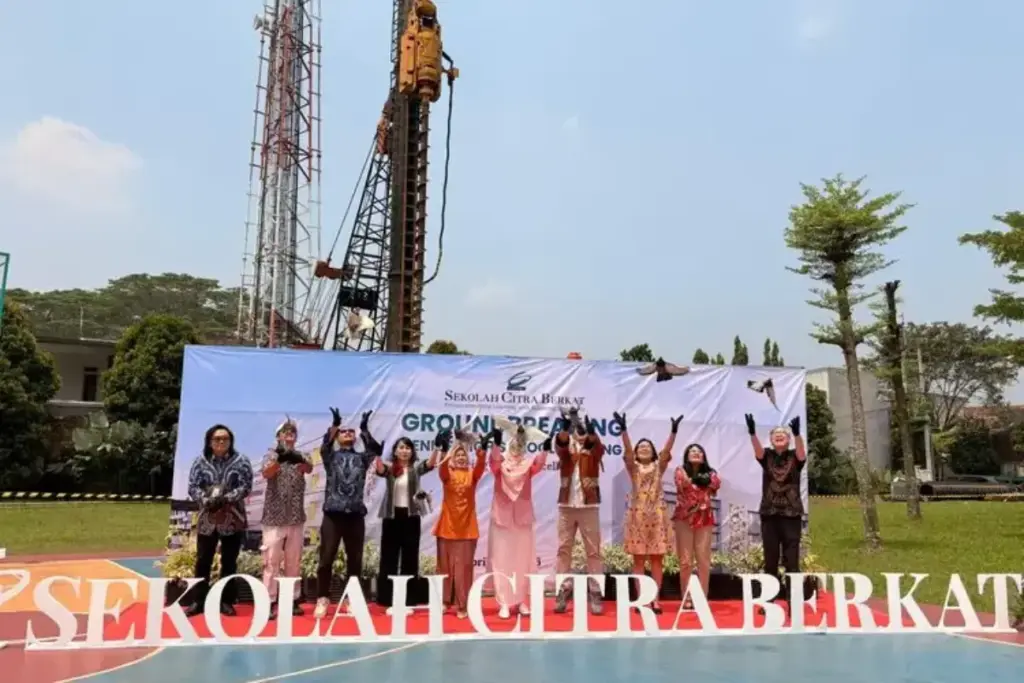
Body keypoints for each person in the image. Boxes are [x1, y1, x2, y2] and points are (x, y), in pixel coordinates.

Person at [313, 408, 383, 619]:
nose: (347, 433)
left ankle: (351, 599)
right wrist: (334, 425)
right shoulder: (331, 457)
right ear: (338, 437)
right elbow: (325, 445)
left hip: (355, 515)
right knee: (326, 558)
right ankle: (322, 598)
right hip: (333, 514)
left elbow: (375, 450)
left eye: (351, 432)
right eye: (343, 431)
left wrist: (364, 429)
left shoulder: (362, 458)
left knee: (355, 560)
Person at [373, 431, 447, 612]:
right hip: (392, 517)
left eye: (408, 448)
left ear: (412, 451)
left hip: (411, 517)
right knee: (388, 558)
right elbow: (380, 470)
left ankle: (408, 598)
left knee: (410, 558)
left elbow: (430, 464)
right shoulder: (391, 469)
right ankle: (386, 598)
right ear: (395, 451)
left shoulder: (415, 469)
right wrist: (377, 455)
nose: (404, 451)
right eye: (401, 447)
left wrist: (437, 447)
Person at [185, 424, 254, 617]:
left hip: (232, 518)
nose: (221, 442)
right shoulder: (200, 461)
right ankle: (198, 600)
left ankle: (226, 601)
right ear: (209, 441)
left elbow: (246, 486)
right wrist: (206, 500)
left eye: (225, 438)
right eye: (217, 439)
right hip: (207, 518)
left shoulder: (241, 461)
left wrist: (226, 498)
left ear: (231, 441)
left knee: (229, 562)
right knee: (203, 561)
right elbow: (193, 486)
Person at [616, 412, 680, 614]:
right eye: (640, 446)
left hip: (658, 516)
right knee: (638, 560)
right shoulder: (633, 468)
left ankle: (655, 600)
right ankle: (642, 600)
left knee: (657, 559)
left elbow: (666, 452)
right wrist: (624, 431)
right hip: (637, 517)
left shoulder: (658, 467)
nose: (644, 448)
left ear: (653, 452)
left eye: (647, 446)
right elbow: (627, 451)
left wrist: (673, 432)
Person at [487, 423, 551, 619]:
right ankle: (504, 602)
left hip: (522, 518)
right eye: (515, 440)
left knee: (523, 561)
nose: (518, 444)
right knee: (501, 561)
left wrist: (545, 450)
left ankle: (521, 600)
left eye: (522, 442)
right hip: (502, 518)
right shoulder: (500, 462)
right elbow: (493, 462)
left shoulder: (528, 464)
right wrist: (495, 444)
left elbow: (538, 465)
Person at [745, 413, 806, 607]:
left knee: (792, 561)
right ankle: (769, 602)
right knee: (770, 560)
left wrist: (797, 434)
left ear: (788, 440)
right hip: (770, 513)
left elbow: (802, 454)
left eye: (783, 434)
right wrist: (752, 433)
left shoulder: (794, 457)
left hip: (791, 514)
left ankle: (793, 603)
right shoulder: (768, 456)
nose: (779, 435)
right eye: (775, 434)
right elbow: (758, 452)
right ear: (771, 440)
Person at [553, 408, 607, 615]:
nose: (580, 432)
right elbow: (560, 445)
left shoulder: (593, 450)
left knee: (593, 551)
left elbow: (598, 447)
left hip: (589, 505)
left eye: (582, 429)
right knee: (563, 550)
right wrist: (564, 430)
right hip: (566, 506)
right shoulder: (566, 449)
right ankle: (563, 590)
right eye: (576, 429)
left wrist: (592, 434)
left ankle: (595, 592)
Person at [260, 419, 313, 619]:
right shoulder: (270, 455)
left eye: (292, 431)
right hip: (274, 518)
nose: (289, 433)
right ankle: (269, 600)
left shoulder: (302, 455)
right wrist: (279, 458)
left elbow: (308, 468)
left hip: (295, 517)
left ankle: (292, 599)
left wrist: (295, 456)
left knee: (293, 561)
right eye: (285, 431)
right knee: (271, 561)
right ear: (278, 436)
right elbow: (267, 473)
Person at [433, 429, 489, 619]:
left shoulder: (472, 475)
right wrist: (443, 449)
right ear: (451, 458)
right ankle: (444, 601)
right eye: (457, 455)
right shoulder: (446, 474)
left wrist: (482, 450)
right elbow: (441, 468)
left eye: (463, 455)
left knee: (464, 568)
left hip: (466, 527)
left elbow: (480, 466)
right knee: (444, 567)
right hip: (447, 526)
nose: (460, 458)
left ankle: (463, 605)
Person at [673, 443, 721, 609]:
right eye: (692, 451)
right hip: (684, 518)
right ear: (687, 455)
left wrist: (700, 480)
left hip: (704, 518)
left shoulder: (711, 472)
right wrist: (701, 481)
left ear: (703, 456)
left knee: (703, 560)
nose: (696, 453)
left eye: (699, 451)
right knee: (685, 560)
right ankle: (686, 597)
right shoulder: (680, 470)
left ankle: (702, 597)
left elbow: (715, 483)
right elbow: (683, 483)